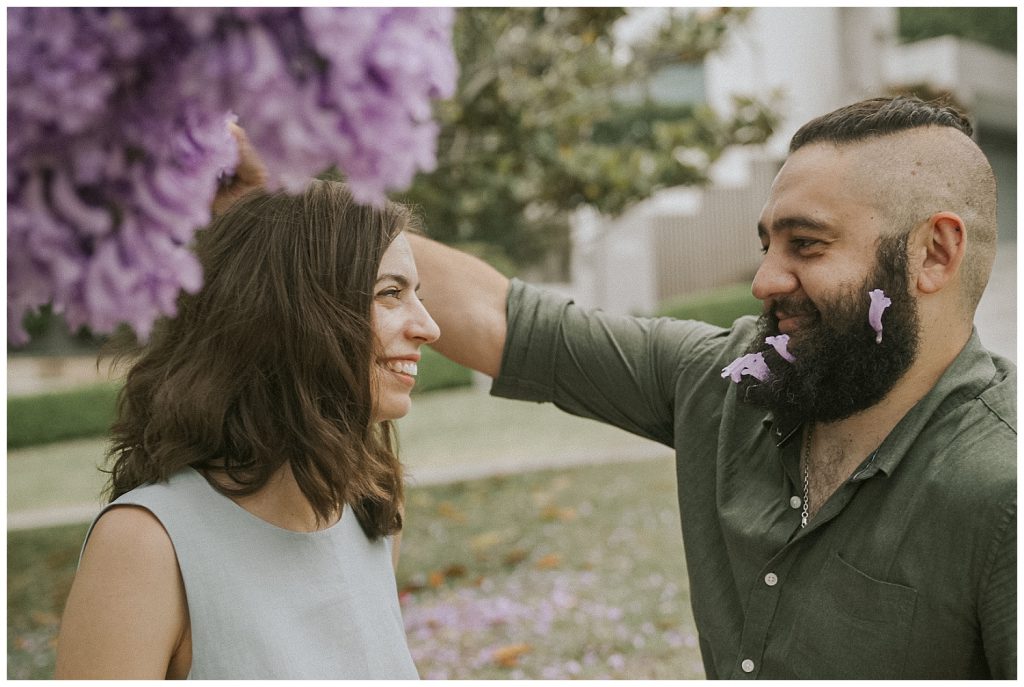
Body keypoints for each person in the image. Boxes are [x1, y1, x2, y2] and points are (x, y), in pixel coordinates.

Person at [407, 96, 1016, 679]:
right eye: (767, 245)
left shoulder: (1002, 491)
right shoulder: (726, 381)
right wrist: (317, 187)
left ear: (934, 254)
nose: (764, 280)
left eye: (806, 244)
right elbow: (509, 324)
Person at [55, 177, 441, 678]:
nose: (428, 326)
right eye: (391, 293)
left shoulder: (372, 507)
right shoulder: (145, 543)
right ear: (294, 315)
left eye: (418, 294)